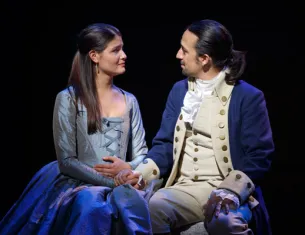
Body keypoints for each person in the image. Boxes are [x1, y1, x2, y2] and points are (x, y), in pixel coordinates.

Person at [115, 19, 274, 235]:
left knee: (225, 223)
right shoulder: (179, 91)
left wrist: (231, 190)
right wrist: (141, 174)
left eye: (184, 50)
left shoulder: (247, 97)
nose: (178, 55)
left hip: (224, 189)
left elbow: (259, 155)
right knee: (154, 207)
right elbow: (165, 144)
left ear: (205, 59)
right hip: (184, 189)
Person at [0, 23, 152, 235]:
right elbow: (67, 161)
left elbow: (141, 153)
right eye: (116, 50)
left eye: (122, 48)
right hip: (80, 183)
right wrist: (111, 181)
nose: (124, 55)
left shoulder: (130, 101)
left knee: (134, 204)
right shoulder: (69, 98)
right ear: (94, 56)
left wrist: (127, 170)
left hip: (121, 183)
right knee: (91, 206)